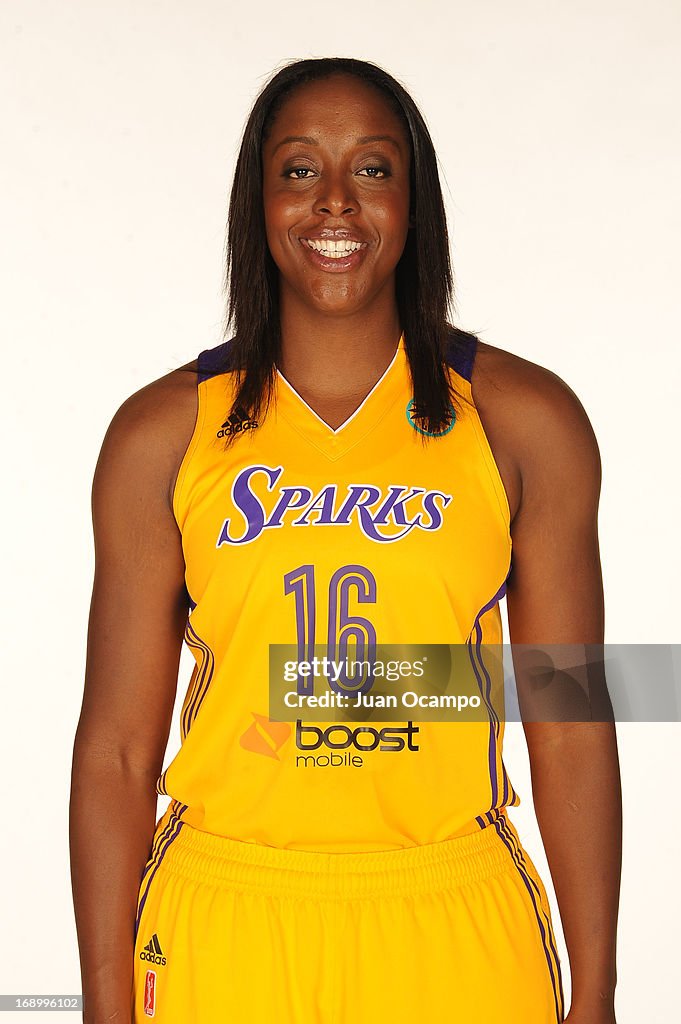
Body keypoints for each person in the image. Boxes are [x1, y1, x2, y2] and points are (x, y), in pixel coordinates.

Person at [69, 57, 622, 1024]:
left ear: (414, 203)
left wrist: (599, 994)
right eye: (297, 171)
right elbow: (117, 748)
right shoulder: (162, 434)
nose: (333, 203)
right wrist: (107, 1002)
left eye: (370, 169)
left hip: (452, 914)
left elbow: (568, 717)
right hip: (225, 917)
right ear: (259, 199)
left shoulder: (524, 421)